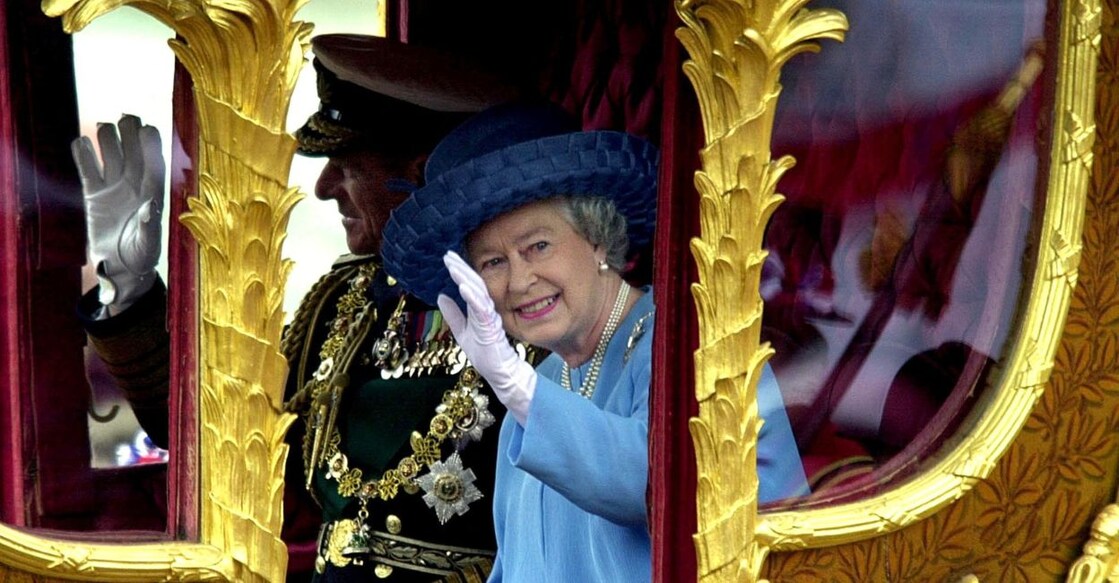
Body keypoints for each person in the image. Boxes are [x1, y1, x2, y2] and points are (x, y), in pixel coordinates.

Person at [72, 34, 528, 582]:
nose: (323, 187)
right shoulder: (343, 306)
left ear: (421, 174)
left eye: (345, 164)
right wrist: (130, 288)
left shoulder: (528, 311)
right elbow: (225, 439)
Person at [382, 102, 808, 581]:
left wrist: (515, 387)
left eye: (537, 246)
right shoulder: (538, 384)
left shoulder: (696, 349)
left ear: (598, 239)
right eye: (493, 263)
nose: (519, 281)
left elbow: (661, 490)